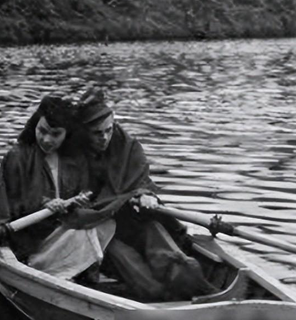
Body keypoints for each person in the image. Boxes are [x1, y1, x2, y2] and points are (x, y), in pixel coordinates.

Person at [72, 88, 222, 302]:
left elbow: (141, 180)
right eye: (97, 133)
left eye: (109, 130)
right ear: (85, 132)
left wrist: (145, 193)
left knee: (157, 233)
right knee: (126, 261)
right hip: (97, 230)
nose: (105, 137)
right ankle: (159, 298)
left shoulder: (127, 145)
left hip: (130, 220)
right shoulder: (72, 154)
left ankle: (194, 283)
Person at [0, 95, 115, 280]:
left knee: (104, 224)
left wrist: (79, 199)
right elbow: (13, 205)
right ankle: (77, 278)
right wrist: (46, 204)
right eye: (42, 131)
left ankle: (75, 275)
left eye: (56, 134)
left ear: (67, 134)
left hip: (61, 228)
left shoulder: (75, 158)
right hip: (30, 237)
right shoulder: (18, 157)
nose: (47, 139)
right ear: (35, 125)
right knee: (85, 231)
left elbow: (82, 194)